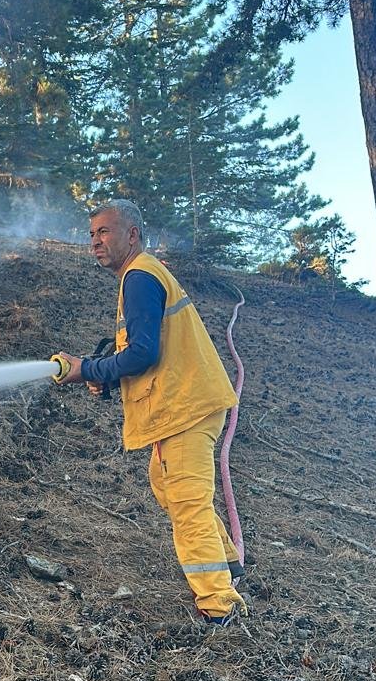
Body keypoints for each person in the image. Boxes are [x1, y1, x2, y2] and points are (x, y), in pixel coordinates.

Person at [53, 200, 246, 626]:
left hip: (186, 409)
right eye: (92, 235)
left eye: (104, 232)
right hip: (185, 405)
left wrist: (87, 368)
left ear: (132, 234)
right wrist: (102, 372)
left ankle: (219, 607)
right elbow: (140, 352)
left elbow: (142, 352)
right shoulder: (141, 276)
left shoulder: (139, 275)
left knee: (186, 501)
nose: (95, 243)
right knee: (167, 485)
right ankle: (228, 562)